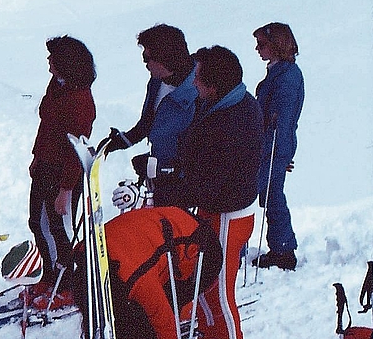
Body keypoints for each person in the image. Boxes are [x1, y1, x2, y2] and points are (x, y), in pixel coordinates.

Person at [162, 46, 262, 339]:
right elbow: (199, 157)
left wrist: (173, 189)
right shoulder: (222, 105)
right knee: (202, 287)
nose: (192, 82)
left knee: (217, 293)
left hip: (229, 216)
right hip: (217, 209)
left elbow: (212, 181)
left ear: (214, 85)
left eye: (198, 78)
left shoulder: (231, 119)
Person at [75, 207, 222, 339]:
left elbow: (166, 327)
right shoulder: (85, 257)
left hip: (204, 250)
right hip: (166, 229)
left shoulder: (140, 282)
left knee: (148, 321)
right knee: (128, 321)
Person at [26, 36, 96, 308]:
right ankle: (50, 274)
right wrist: (36, 157)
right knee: (37, 223)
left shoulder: (81, 100)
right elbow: (46, 125)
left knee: (58, 228)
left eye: (52, 58)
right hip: (45, 164)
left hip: (63, 173)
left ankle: (67, 285)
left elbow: (76, 149)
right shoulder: (58, 85)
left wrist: (66, 190)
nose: (48, 62)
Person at [100, 24, 198, 211]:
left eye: (147, 58)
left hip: (184, 187)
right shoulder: (157, 82)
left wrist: (160, 165)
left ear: (164, 59)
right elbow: (147, 124)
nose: (145, 64)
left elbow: (196, 149)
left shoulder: (198, 92)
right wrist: (120, 141)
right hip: (159, 177)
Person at [250, 23, 303, 271]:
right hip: (273, 144)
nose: (258, 49)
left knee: (272, 196)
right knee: (271, 195)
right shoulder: (280, 72)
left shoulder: (287, 76)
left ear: (276, 45)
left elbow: (281, 117)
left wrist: (274, 149)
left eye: (262, 44)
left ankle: (283, 250)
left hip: (273, 144)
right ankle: (281, 247)